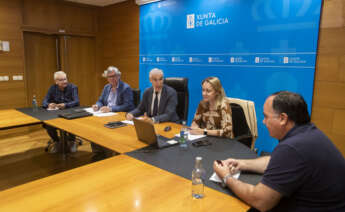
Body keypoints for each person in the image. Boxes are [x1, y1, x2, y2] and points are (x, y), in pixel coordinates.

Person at [213, 91, 345, 212]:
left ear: (283, 118)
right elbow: (277, 161)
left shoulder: (292, 148)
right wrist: (242, 163)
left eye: (266, 116)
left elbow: (260, 201)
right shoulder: (307, 133)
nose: (264, 122)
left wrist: (226, 177)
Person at [91, 66, 135, 160]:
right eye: (109, 77)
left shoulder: (125, 88)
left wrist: (110, 109)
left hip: (120, 116)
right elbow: (101, 100)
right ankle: (98, 153)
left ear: (119, 76)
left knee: (106, 131)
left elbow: (128, 105)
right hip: (106, 115)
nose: (112, 78)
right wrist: (97, 105)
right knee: (93, 128)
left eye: (114, 76)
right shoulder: (106, 87)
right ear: (107, 78)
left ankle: (109, 155)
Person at [42, 71, 80, 153]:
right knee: (49, 124)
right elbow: (44, 101)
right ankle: (56, 141)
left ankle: (72, 141)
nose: (65, 81)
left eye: (65, 79)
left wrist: (65, 105)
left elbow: (76, 101)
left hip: (70, 111)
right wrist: (49, 104)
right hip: (56, 113)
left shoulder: (73, 87)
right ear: (56, 82)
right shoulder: (52, 88)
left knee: (70, 123)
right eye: (61, 80)